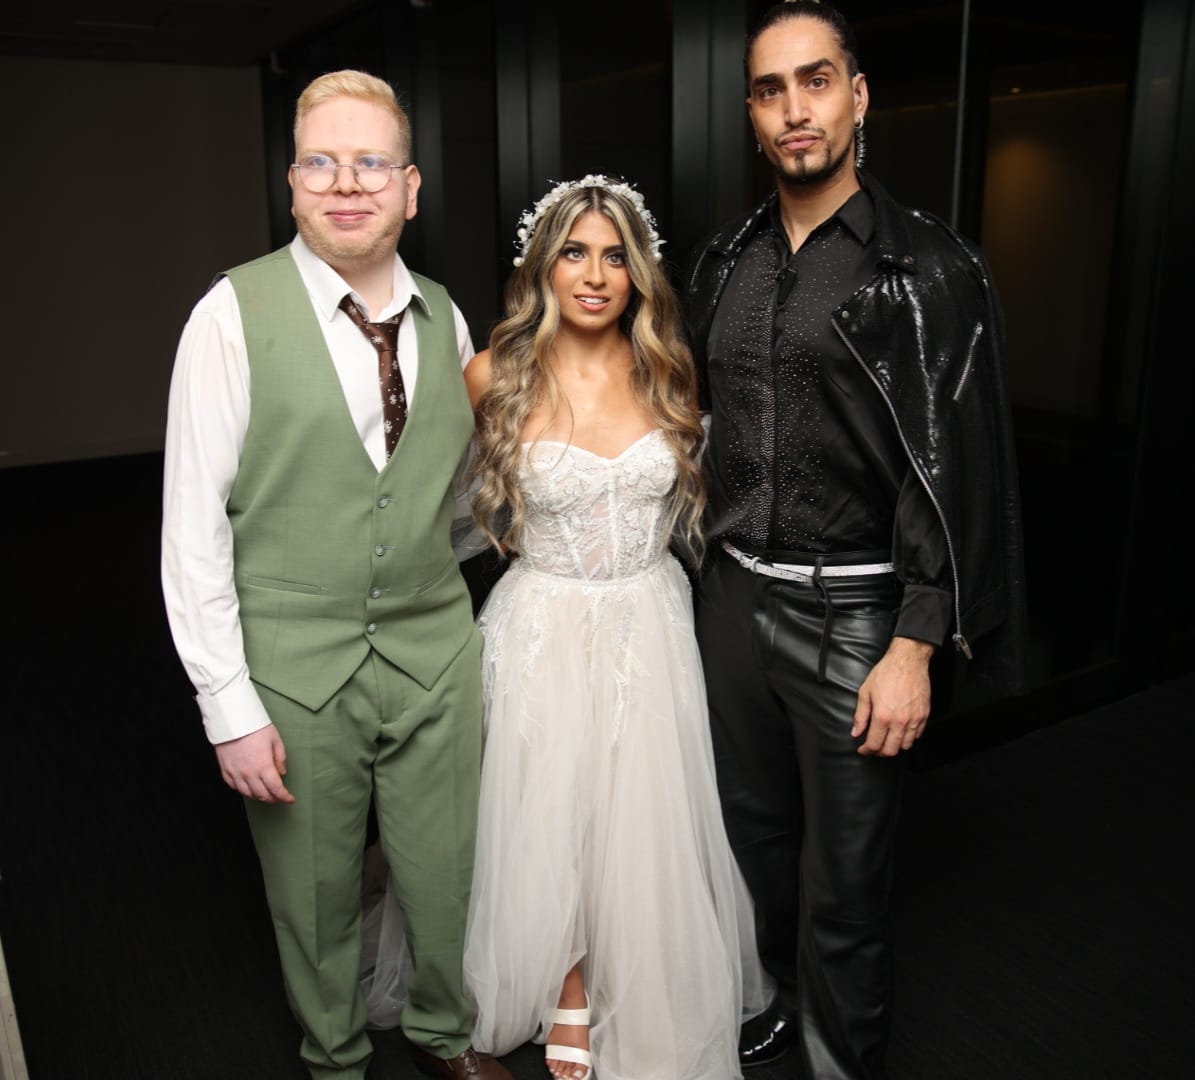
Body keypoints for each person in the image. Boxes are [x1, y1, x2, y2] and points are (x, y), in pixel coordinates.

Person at [683, 3, 1027, 1078]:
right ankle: (773, 1005)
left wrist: (915, 642)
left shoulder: (928, 269)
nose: (795, 109)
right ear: (752, 114)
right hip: (728, 600)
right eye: (770, 89)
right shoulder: (724, 260)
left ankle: (842, 1062)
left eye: (816, 80)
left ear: (858, 96)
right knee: (747, 844)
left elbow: (954, 466)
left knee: (845, 881)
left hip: (853, 613)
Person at [161, 69, 512, 1080]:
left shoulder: (447, 319)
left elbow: (453, 495)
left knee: (446, 869)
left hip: (433, 650)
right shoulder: (230, 315)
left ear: (410, 188)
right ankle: (336, 1058)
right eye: (321, 162)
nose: (346, 183)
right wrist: (228, 705)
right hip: (294, 663)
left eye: (370, 163)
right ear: (292, 183)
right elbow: (191, 530)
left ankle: (443, 1035)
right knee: (312, 893)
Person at [458, 175, 769, 1080]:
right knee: (547, 808)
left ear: (637, 273)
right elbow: (435, 506)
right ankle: (565, 981)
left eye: (613, 257)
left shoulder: (668, 369)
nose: (594, 276)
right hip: (543, 620)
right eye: (573, 253)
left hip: (648, 617)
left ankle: (626, 971)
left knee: (637, 815)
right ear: (542, 266)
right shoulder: (491, 373)